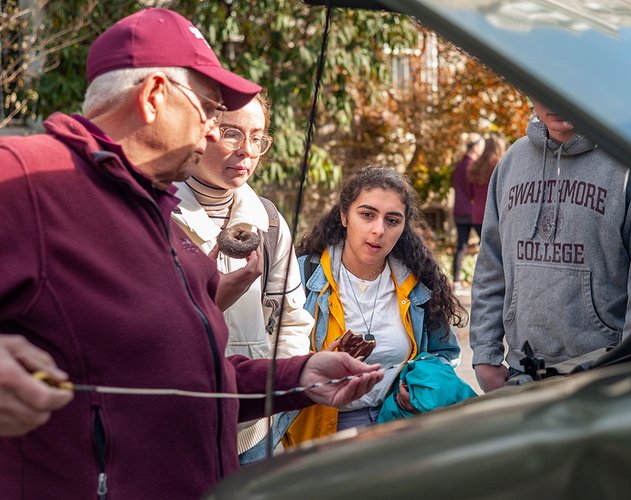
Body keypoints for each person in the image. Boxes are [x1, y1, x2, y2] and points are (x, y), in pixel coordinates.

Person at [0, 8, 382, 499]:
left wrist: (298, 375)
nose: (209, 132)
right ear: (154, 96)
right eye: (207, 109)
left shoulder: (156, 211)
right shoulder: (27, 176)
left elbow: (193, 376)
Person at [470, 97, 631, 392]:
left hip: (603, 378)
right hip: (522, 374)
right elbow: (491, 263)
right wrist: (485, 354)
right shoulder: (512, 161)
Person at [172, 92, 313, 463]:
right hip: (175, 428)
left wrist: (275, 394)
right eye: (232, 133)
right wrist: (211, 300)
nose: (247, 150)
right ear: (200, 130)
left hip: (252, 436)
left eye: (258, 137)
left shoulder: (268, 221)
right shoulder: (156, 214)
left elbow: (292, 320)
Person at [283, 166, 465, 446]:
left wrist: (415, 394)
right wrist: (312, 364)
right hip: (321, 435)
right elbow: (274, 359)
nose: (378, 230)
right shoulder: (302, 278)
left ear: (404, 227)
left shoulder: (418, 286)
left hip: (400, 426)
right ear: (344, 216)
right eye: (367, 215)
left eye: (392, 220)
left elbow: (445, 354)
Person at [451, 136, 484, 285]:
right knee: (487, 245)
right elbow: (474, 191)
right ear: (476, 147)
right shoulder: (473, 166)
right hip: (473, 211)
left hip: (459, 211)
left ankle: (456, 281)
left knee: (461, 246)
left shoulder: (458, 165)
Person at [467, 134, 506, 237]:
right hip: (494, 215)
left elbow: (470, 194)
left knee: (484, 248)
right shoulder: (500, 166)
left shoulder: (475, 166)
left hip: (476, 215)